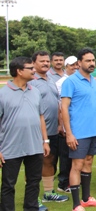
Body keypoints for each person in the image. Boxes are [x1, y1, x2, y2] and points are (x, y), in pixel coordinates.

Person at [0, 57, 50, 211]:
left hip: (34, 146)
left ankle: (31, 208)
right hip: (10, 147)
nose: (34, 70)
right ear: (19, 71)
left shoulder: (35, 91)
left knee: (34, 182)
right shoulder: (2, 93)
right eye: (30, 68)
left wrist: (45, 140)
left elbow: (40, 116)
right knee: (8, 185)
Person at [61, 48, 96, 210]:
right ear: (79, 63)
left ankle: (86, 198)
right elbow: (64, 108)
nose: (92, 63)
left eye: (93, 60)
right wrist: (69, 134)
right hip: (78, 132)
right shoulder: (70, 82)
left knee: (88, 162)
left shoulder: (93, 81)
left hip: (94, 131)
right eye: (88, 60)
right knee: (77, 165)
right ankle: (76, 204)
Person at [30, 51, 69, 208]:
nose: (45, 63)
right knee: (33, 164)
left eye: (47, 61)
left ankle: (48, 192)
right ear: (34, 63)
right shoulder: (31, 80)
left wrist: (60, 124)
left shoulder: (51, 79)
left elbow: (57, 103)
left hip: (52, 129)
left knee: (50, 160)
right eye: (42, 61)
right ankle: (32, 198)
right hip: (36, 130)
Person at [56, 56, 78, 194]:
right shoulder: (61, 82)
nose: (75, 67)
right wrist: (62, 125)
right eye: (72, 65)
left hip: (77, 124)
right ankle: (63, 183)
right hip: (66, 124)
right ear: (66, 67)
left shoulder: (79, 80)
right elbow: (60, 106)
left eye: (77, 64)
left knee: (75, 155)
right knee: (65, 155)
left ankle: (72, 181)